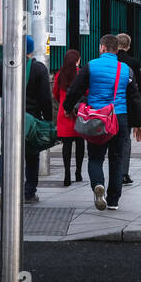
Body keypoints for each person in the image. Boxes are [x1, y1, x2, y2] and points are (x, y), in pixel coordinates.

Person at [63, 34, 141, 211]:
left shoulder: (90, 66)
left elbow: (75, 90)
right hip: (119, 118)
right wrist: (138, 123)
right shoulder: (126, 70)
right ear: (116, 49)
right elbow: (135, 97)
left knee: (95, 157)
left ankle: (98, 185)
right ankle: (113, 200)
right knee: (116, 159)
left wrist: (68, 108)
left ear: (102, 48)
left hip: (97, 118)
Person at [0, 35, 52, 204]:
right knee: (32, 157)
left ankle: (6, 191)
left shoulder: (5, 65)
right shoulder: (39, 68)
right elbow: (46, 99)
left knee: (7, 155)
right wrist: (47, 120)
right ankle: (29, 192)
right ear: (31, 50)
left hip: (10, 117)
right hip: (31, 120)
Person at [52, 49, 84, 186]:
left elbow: (56, 94)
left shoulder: (59, 75)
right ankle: (78, 172)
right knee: (80, 144)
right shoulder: (81, 74)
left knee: (66, 145)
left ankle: (67, 175)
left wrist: (64, 104)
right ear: (77, 60)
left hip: (64, 114)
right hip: (78, 114)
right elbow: (86, 92)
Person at [116, 33, 141, 187]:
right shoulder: (133, 62)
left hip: (107, 107)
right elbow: (140, 85)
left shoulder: (110, 61)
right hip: (127, 107)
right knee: (125, 140)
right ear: (128, 46)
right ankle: (123, 173)